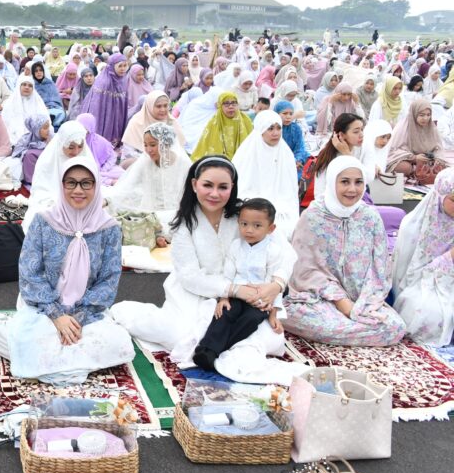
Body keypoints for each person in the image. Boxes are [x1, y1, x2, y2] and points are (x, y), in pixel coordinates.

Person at [111, 157, 303, 384]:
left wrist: (275, 285)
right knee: (182, 337)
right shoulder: (185, 224)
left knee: (269, 338)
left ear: (233, 188)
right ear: (194, 185)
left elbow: (286, 253)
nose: (215, 193)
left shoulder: (247, 216)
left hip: (250, 295)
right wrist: (234, 290)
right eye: (207, 185)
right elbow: (190, 277)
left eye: (223, 187)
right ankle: (127, 311)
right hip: (195, 293)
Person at [0, 158, 134, 383]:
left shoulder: (109, 228)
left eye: (86, 183)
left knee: (117, 343)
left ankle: (52, 362)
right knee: (33, 340)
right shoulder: (44, 222)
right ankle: (5, 332)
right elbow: (30, 274)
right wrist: (57, 316)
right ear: (61, 185)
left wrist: (78, 317)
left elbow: (109, 280)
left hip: (88, 311)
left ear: (96, 186)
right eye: (71, 183)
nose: (78, 190)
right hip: (42, 307)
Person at [284, 156, 405, 346]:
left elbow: (380, 268)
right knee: (292, 315)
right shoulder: (314, 216)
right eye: (345, 182)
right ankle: (349, 327)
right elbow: (304, 270)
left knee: (395, 327)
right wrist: (342, 303)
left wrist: (366, 304)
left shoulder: (369, 217)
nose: (352, 189)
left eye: (358, 182)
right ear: (332, 183)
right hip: (317, 300)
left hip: (361, 300)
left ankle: (349, 327)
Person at [191, 199, 295, 371]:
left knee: (251, 319)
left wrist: (273, 313)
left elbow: (274, 285)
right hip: (237, 293)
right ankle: (206, 350)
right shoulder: (235, 247)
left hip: (260, 298)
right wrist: (223, 298)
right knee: (224, 314)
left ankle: (221, 348)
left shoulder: (273, 251)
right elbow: (228, 275)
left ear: (271, 229)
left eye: (257, 225)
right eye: (244, 224)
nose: (249, 230)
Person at [392, 168, 454, 345]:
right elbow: (410, 275)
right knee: (430, 314)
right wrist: (449, 257)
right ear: (439, 197)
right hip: (423, 284)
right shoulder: (414, 226)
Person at [108, 122, 190, 237]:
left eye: (152, 145)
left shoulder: (183, 164)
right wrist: (108, 201)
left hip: (174, 213)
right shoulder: (145, 162)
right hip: (148, 213)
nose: (148, 150)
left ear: (165, 143)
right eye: (145, 145)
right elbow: (127, 186)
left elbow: (190, 196)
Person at [231, 111, 299, 239]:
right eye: (270, 128)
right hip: (250, 202)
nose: (276, 133)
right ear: (260, 130)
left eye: (279, 128)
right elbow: (239, 188)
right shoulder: (247, 153)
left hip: (282, 205)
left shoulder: (286, 153)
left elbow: (290, 191)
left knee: (286, 229)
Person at [385, 99, 447, 176]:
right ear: (414, 114)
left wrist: (436, 158)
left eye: (428, 115)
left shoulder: (431, 127)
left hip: (426, 160)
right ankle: (419, 171)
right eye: (422, 115)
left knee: (442, 165)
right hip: (408, 160)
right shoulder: (403, 127)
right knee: (405, 168)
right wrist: (414, 157)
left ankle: (423, 171)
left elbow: (438, 148)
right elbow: (392, 150)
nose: (425, 118)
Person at [79, 53, 130, 145]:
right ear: (112, 66)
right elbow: (97, 106)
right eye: (120, 66)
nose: (123, 69)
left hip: (118, 112)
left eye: (125, 65)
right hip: (104, 114)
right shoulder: (104, 81)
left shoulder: (123, 79)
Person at [189, 91, 253, 161]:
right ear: (220, 106)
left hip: (243, 160)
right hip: (220, 162)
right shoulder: (214, 122)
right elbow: (206, 147)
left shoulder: (245, 120)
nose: (231, 106)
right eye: (226, 104)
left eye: (234, 103)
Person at [3, 75, 50, 144]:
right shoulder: (10, 102)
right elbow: (5, 123)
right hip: (14, 135)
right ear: (19, 86)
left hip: (36, 136)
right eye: (24, 85)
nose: (27, 87)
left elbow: (46, 121)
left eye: (30, 86)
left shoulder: (38, 102)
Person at [12, 114, 51, 188]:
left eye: (48, 126)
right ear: (36, 129)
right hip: (33, 177)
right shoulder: (26, 139)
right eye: (45, 128)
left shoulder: (51, 137)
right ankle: (31, 181)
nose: (48, 130)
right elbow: (17, 151)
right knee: (29, 154)